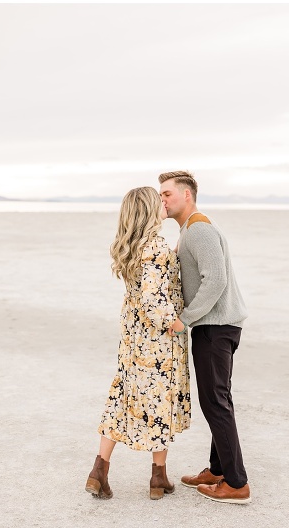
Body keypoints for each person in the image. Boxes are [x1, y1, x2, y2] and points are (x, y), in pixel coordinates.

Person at [86, 186, 191, 501]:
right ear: (147, 210)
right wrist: (176, 322)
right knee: (160, 400)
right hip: (157, 341)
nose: (164, 203)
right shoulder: (157, 246)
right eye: (158, 200)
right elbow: (153, 300)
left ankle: (99, 470)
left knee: (122, 396)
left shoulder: (133, 246)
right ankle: (157, 478)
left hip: (132, 338)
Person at [158, 170, 251, 504]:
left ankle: (237, 484)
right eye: (160, 194)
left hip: (215, 327)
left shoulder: (198, 230)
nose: (162, 200)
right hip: (218, 325)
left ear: (187, 195)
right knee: (218, 399)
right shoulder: (193, 229)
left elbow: (216, 280)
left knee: (215, 402)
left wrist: (184, 319)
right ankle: (217, 469)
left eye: (167, 193)